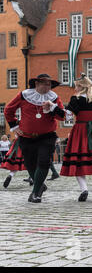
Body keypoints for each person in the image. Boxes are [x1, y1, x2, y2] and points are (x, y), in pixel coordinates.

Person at [4, 74, 65, 203]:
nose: (47, 86)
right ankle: (40, 185)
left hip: (47, 136)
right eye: (44, 83)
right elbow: (8, 109)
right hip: (26, 137)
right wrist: (14, 126)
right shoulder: (24, 95)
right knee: (30, 164)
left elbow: (62, 117)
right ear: (36, 84)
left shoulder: (53, 98)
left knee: (44, 162)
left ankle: (35, 193)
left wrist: (53, 108)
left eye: (49, 84)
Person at [57, 75, 92, 201]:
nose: (75, 88)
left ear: (81, 86)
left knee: (78, 161)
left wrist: (54, 108)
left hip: (80, 131)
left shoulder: (75, 99)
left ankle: (84, 189)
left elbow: (69, 117)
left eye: (76, 85)